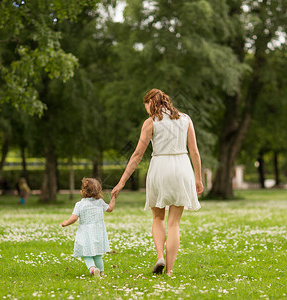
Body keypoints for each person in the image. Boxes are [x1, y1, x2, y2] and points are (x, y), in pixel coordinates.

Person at [111, 88, 203, 276]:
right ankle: (169, 271)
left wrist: (121, 183)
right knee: (174, 224)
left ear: (149, 103)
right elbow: (194, 151)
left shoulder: (150, 123)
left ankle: (160, 256)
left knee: (158, 217)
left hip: (160, 167)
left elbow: (137, 155)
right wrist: (198, 178)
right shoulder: (186, 119)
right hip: (182, 167)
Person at [62, 178, 115, 277]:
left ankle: (92, 269)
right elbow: (110, 209)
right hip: (98, 232)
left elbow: (74, 217)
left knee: (86, 254)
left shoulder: (80, 204)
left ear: (82, 192)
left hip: (85, 233)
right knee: (98, 254)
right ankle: (101, 272)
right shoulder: (100, 202)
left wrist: (66, 223)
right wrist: (113, 199)